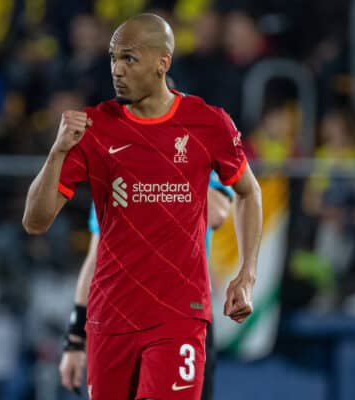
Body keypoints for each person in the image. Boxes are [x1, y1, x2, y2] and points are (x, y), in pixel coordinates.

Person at [23, 13, 262, 400]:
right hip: (110, 318)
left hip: (179, 315)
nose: (117, 69)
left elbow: (248, 194)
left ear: (162, 62)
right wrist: (56, 153)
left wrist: (246, 273)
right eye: (113, 58)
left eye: (129, 58)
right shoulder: (95, 130)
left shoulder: (208, 124)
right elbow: (35, 222)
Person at [60, 172, 234, 400]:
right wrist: (74, 339)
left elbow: (216, 213)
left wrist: (154, 171)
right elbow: (96, 258)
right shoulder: (115, 169)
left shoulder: (201, 148)